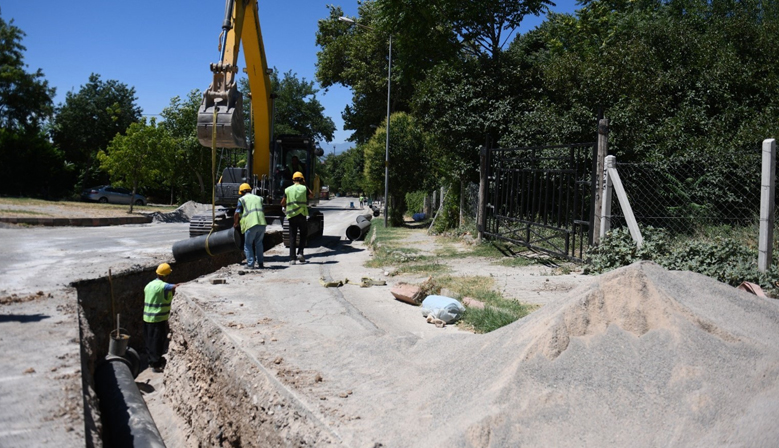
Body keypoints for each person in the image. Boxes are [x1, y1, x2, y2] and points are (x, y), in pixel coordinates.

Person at [143, 263, 180, 372]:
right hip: (157, 319)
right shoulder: (163, 286)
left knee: (149, 341)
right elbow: (175, 286)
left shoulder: (149, 285)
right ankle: (156, 364)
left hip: (147, 318)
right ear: (165, 275)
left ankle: (151, 361)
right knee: (157, 342)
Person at [281, 171, 314, 265]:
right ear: (302, 179)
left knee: (292, 236)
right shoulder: (304, 188)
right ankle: (300, 252)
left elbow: (282, 202)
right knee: (303, 234)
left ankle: (292, 259)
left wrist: (286, 206)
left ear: (293, 180)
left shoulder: (287, 189)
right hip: (302, 215)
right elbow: (311, 195)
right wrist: (305, 185)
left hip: (291, 216)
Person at [233, 183, 267, 269]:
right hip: (262, 223)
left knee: (248, 244)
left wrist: (235, 223)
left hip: (251, 224)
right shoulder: (259, 198)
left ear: (241, 192)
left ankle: (250, 264)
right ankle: (261, 263)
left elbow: (237, 213)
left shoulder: (242, 199)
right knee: (259, 243)